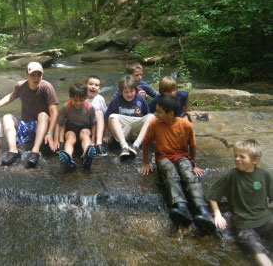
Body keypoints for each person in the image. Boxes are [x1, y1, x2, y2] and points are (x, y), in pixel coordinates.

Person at [140, 95, 215, 231]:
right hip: (163, 157)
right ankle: (181, 206)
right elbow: (145, 143)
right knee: (170, 173)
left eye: (159, 112)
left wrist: (194, 164)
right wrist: (146, 163)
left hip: (182, 156)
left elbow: (192, 145)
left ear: (171, 114)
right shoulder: (154, 124)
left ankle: (203, 210)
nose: (156, 114)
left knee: (188, 174)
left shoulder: (185, 125)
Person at [206, 139, 273, 266]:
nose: (237, 159)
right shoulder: (232, 175)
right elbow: (213, 194)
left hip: (264, 218)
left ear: (255, 160)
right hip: (243, 223)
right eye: (235, 155)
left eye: (242, 156)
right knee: (253, 245)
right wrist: (217, 214)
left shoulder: (263, 175)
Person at [0, 61, 59, 168]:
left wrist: (50, 133)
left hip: (42, 125)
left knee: (43, 114)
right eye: (33, 75)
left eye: (39, 74)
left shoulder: (47, 87)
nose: (36, 78)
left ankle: (34, 153)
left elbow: (54, 112)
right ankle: (13, 151)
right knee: (7, 117)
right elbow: (11, 96)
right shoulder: (21, 86)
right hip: (26, 124)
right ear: (26, 74)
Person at [104, 75, 155, 160]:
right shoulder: (116, 100)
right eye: (126, 92)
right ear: (121, 92)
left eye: (131, 91)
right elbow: (106, 118)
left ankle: (136, 145)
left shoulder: (140, 99)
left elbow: (148, 117)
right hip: (123, 131)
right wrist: (106, 135)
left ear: (136, 90)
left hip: (136, 127)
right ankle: (124, 146)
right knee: (112, 116)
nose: (129, 94)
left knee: (152, 116)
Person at [55, 83, 97, 171]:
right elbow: (60, 123)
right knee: (70, 136)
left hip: (85, 129)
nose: (78, 103)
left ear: (85, 98)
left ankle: (87, 154)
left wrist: (93, 141)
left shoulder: (90, 107)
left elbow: (93, 124)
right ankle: (68, 157)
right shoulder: (66, 107)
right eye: (75, 100)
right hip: (71, 130)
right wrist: (58, 140)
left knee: (85, 133)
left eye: (81, 100)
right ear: (70, 97)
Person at [85, 75, 107, 156]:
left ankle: (99, 143)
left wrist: (106, 135)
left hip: (96, 126)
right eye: (91, 84)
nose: (93, 87)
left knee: (99, 112)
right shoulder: (81, 98)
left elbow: (106, 116)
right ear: (85, 86)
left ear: (99, 89)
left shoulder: (100, 99)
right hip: (84, 125)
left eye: (96, 85)